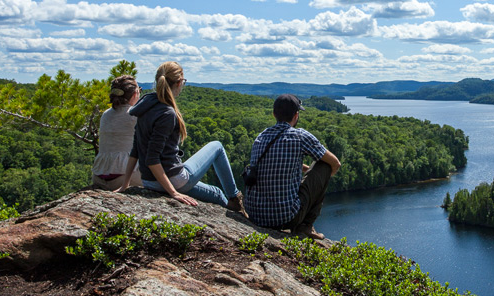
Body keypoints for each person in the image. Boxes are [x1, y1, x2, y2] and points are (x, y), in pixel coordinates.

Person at [116, 61, 245, 213]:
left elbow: (136, 150)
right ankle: (235, 197)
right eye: (183, 82)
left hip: (149, 181)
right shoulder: (167, 113)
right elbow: (152, 159)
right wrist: (173, 193)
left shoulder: (145, 106)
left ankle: (234, 204)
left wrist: (125, 184)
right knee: (217, 146)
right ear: (178, 83)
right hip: (173, 179)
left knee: (216, 193)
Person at [244, 94, 341, 239]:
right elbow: (335, 163)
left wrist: (306, 170)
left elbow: (277, 161)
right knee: (324, 166)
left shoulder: (261, 136)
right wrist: (318, 181)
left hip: (255, 215)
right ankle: (305, 226)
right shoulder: (300, 136)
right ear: (296, 115)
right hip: (285, 218)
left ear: (274, 114)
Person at [90, 75, 143, 190]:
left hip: (99, 176)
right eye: (140, 90)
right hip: (126, 176)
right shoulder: (135, 115)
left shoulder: (105, 115)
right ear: (135, 94)